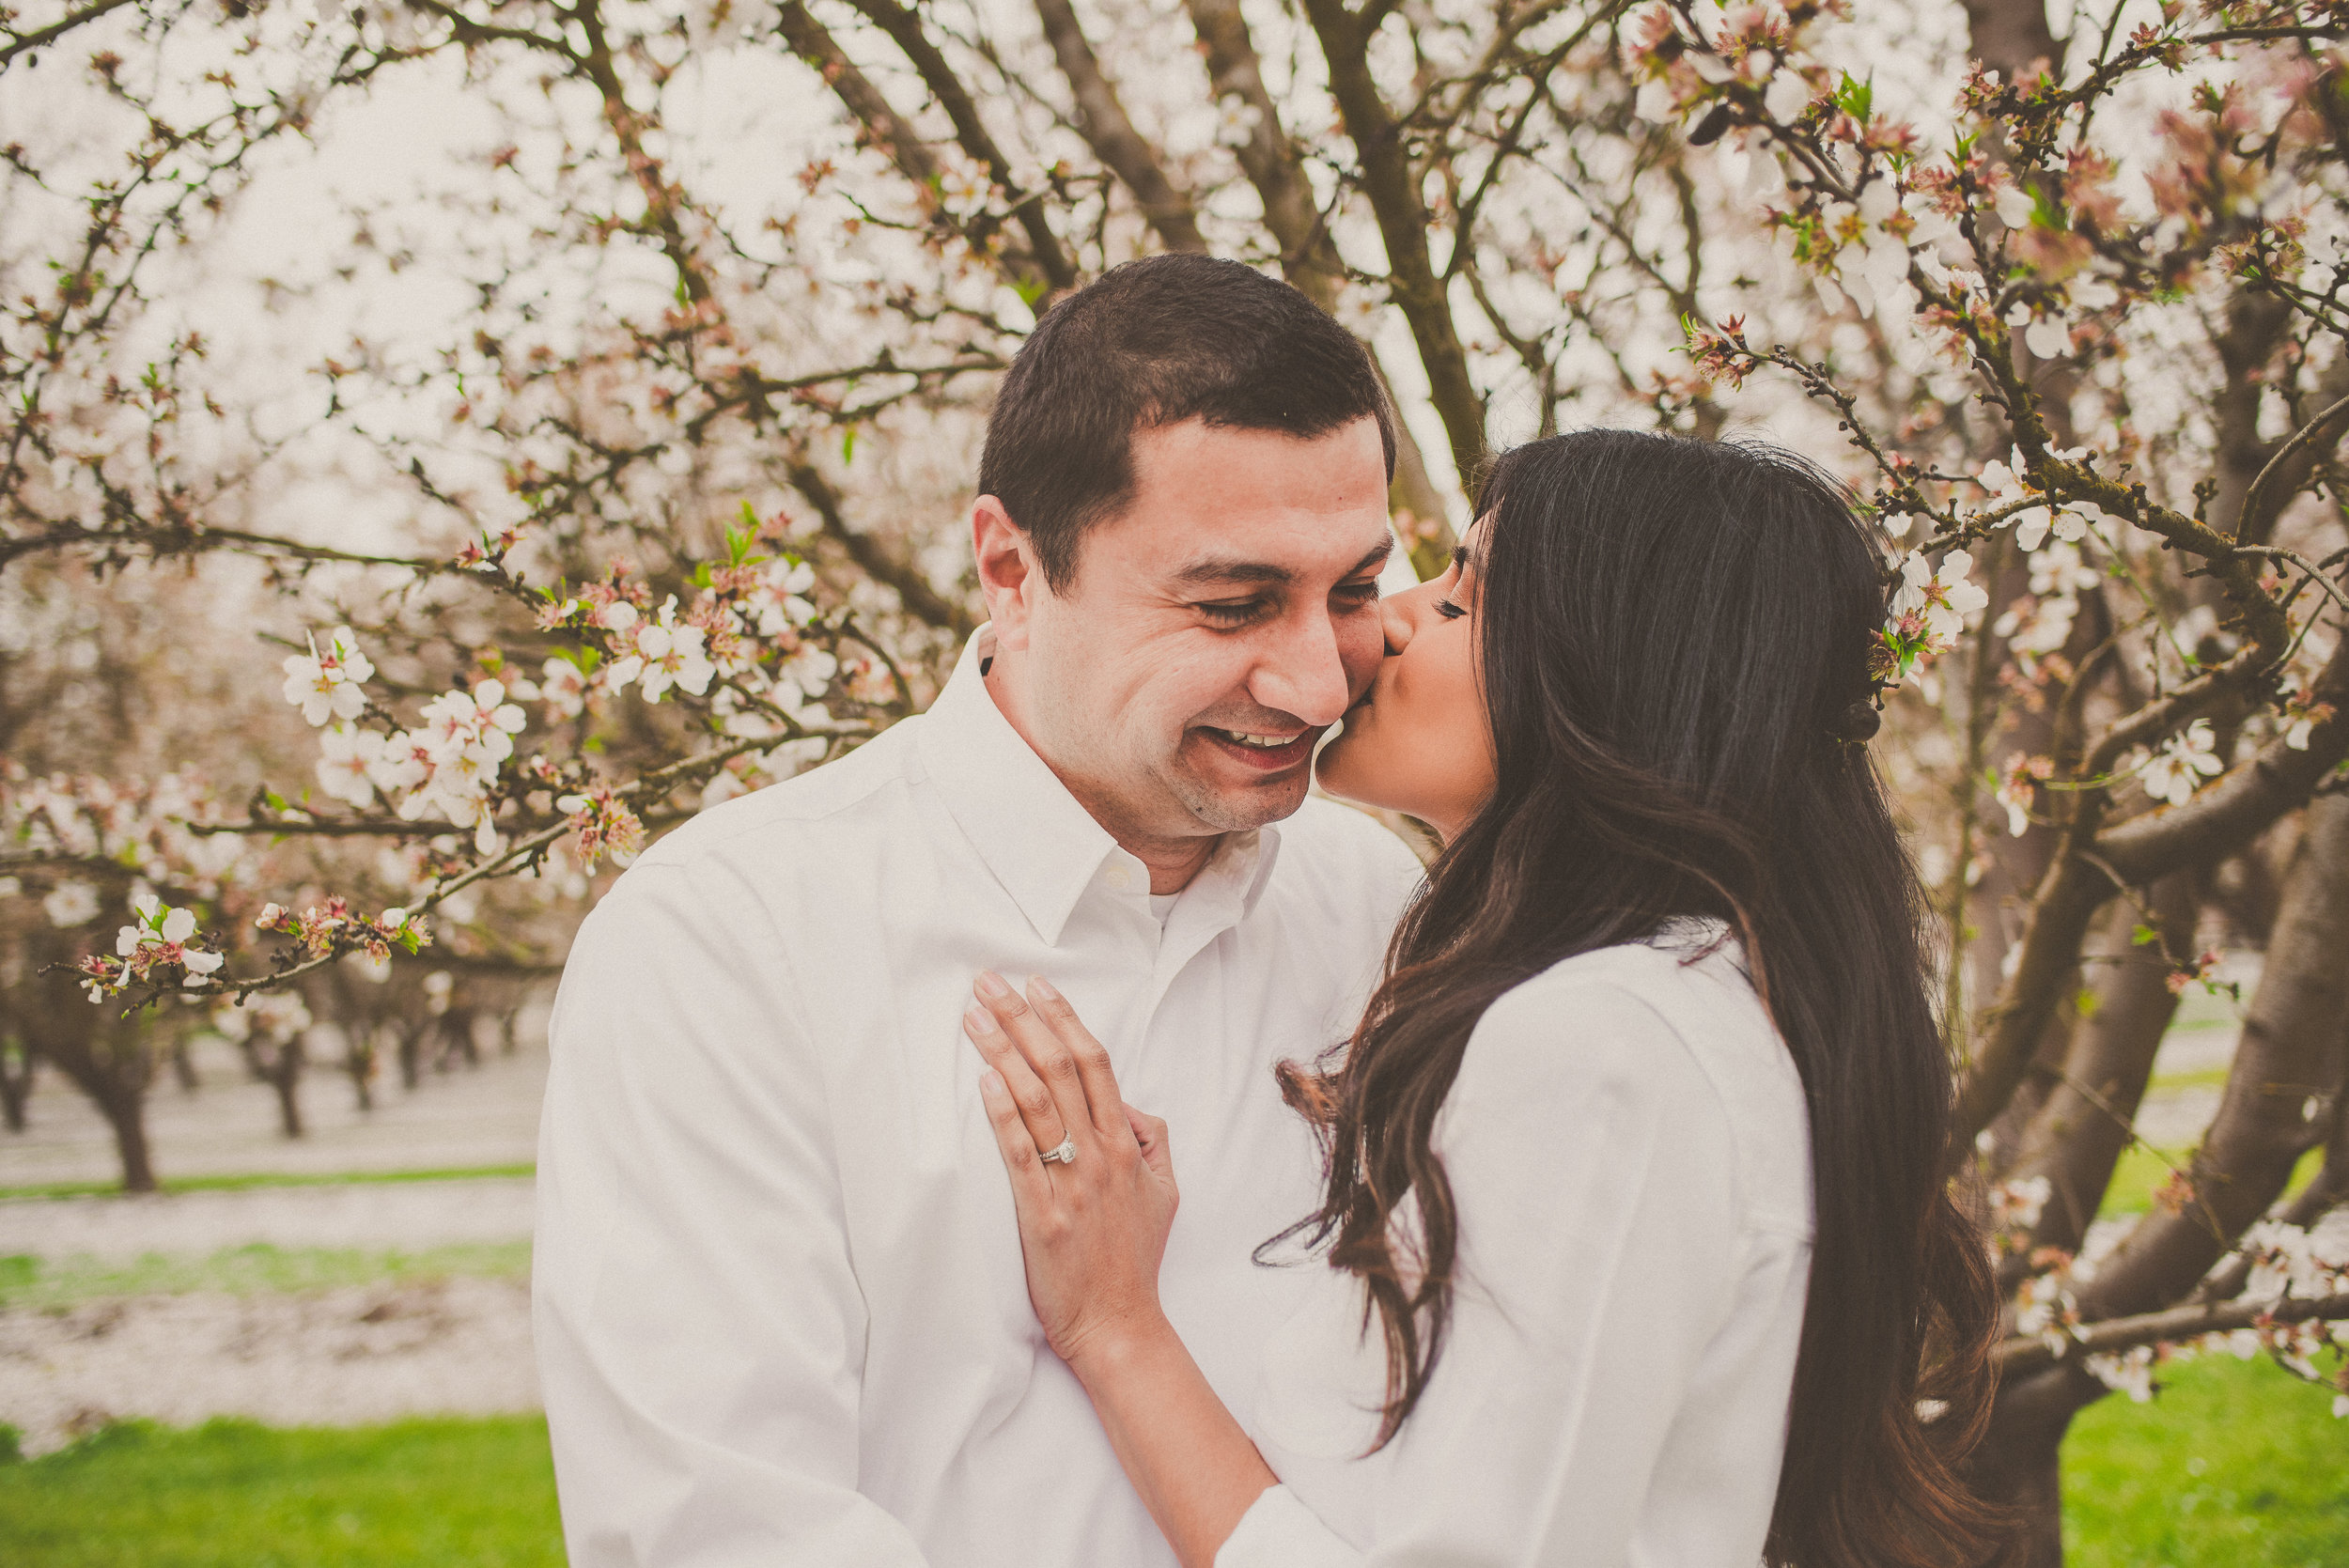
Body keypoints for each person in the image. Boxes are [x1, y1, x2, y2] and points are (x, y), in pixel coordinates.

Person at [963, 430, 2004, 1568]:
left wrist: (1117, 1330)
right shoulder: (1669, 999)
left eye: (1464, 599)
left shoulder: (1605, 1047)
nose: (1388, 621)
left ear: (1610, 679)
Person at [531, 254, 1426, 1566]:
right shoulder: (728, 944)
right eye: (1234, 604)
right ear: (1012, 568)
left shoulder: (1380, 905)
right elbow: (720, 1527)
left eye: (1350, 592)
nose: (1312, 682)